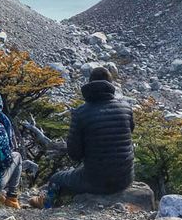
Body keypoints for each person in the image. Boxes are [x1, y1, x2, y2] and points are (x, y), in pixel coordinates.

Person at [30, 66, 134, 208]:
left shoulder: (81, 113)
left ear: (89, 85)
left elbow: (74, 154)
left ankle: (47, 205)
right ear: (111, 86)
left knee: (57, 178)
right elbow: (129, 132)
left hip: (96, 181)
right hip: (125, 179)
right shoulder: (126, 108)